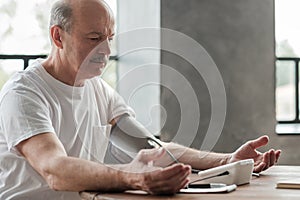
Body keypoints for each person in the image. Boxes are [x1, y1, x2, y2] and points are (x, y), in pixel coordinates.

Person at [0, 0, 281, 199]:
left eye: (110, 37)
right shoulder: (24, 93)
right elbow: (55, 170)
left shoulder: (99, 90)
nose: (106, 49)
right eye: (94, 38)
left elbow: (153, 149)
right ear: (58, 37)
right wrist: (135, 177)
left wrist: (227, 160)